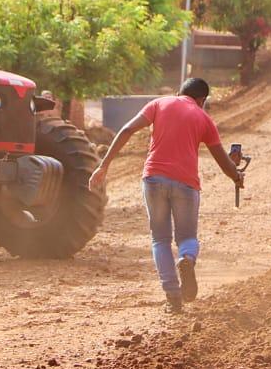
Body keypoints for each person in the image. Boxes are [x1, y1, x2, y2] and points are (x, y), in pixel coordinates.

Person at [89, 78, 243, 314]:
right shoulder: (204, 119)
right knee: (187, 237)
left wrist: (104, 165)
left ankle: (172, 297)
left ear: (179, 92)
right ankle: (187, 258)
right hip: (186, 184)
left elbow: (127, 129)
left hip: (153, 179)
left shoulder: (159, 104)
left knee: (160, 239)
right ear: (201, 100)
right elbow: (222, 160)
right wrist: (236, 177)